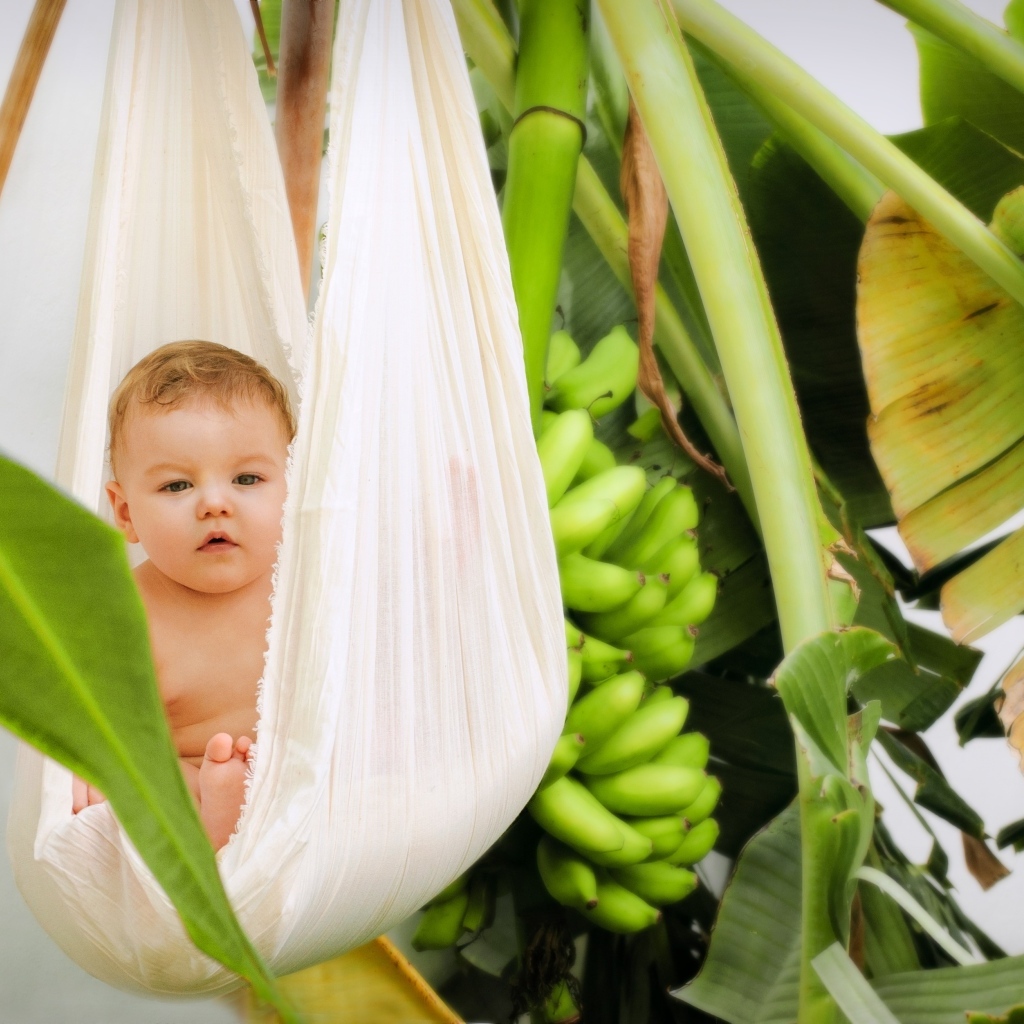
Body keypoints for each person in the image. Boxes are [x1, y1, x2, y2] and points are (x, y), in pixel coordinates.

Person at [71, 340, 294, 851]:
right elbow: (82, 712)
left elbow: (397, 604)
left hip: (305, 770)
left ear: (293, 489)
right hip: (194, 770)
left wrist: (454, 542)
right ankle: (218, 815)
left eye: (246, 478)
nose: (215, 503)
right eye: (177, 486)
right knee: (146, 783)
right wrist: (79, 762)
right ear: (125, 514)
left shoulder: (307, 577)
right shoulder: (123, 614)